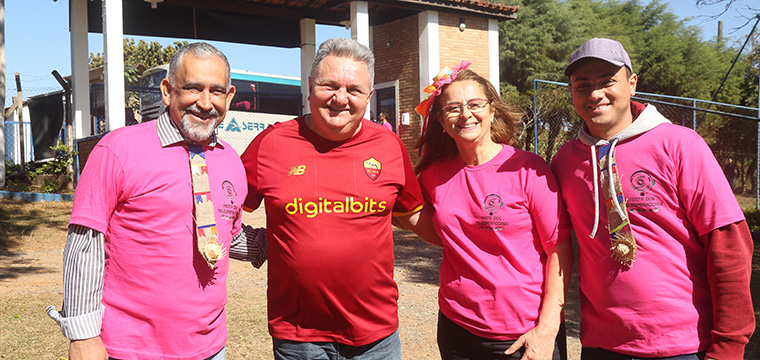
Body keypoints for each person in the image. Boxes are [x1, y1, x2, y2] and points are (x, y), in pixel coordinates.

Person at [46, 42, 268, 360]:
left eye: (216, 92)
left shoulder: (231, 159)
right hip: (131, 349)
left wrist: (285, 239)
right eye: (193, 88)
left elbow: (224, 234)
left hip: (211, 346)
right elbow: (85, 245)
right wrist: (83, 336)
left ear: (229, 97)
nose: (206, 103)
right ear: (167, 91)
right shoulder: (118, 150)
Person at [551, 37, 755, 360]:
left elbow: (728, 243)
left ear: (632, 84)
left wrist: (730, 345)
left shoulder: (680, 145)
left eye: (607, 82)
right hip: (601, 347)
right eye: (582, 85)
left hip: (682, 347)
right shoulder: (565, 162)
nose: (595, 94)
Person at [240, 38, 425, 360]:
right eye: (329, 86)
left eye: (354, 90)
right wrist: (254, 244)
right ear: (310, 86)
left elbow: (413, 216)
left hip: (376, 337)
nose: (341, 99)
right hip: (298, 337)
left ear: (368, 95)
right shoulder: (271, 143)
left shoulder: (389, 145)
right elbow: (218, 208)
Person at [406, 61, 573, 360]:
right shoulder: (432, 176)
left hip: (523, 332)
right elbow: (436, 228)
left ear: (492, 109)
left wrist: (547, 329)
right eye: (453, 108)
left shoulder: (528, 169)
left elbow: (559, 249)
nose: (465, 114)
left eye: (475, 104)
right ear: (442, 121)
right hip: (457, 329)